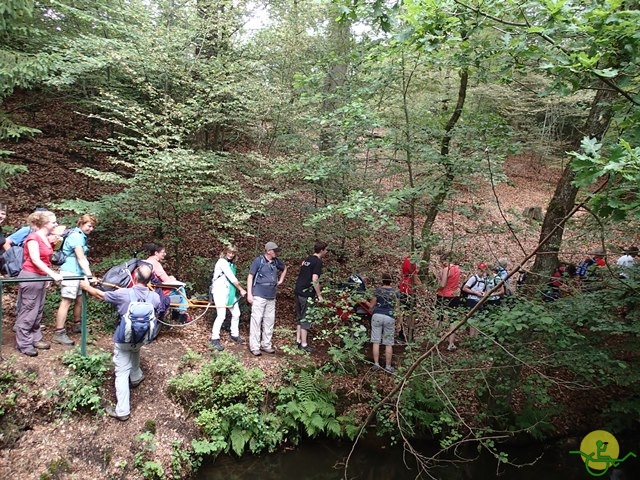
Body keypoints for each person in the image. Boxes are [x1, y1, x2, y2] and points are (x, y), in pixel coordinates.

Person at [79, 264, 160, 421]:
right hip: (142, 337)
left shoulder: (123, 294)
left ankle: (122, 410)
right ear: (150, 280)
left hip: (124, 338)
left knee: (121, 372)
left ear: (134, 276)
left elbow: (101, 295)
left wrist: (85, 286)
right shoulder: (155, 297)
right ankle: (136, 376)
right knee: (135, 350)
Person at [15, 211, 63, 356]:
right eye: (53, 222)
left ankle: (35, 338)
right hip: (30, 276)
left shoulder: (45, 238)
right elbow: (35, 259)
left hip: (40, 277)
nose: (55, 224)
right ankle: (23, 343)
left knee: (37, 310)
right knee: (28, 311)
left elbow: (46, 259)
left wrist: (46, 277)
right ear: (44, 224)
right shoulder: (33, 238)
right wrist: (52, 274)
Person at [53, 214, 97, 346]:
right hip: (70, 272)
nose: (91, 229)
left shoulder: (81, 236)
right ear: (81, 224)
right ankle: (59, 332)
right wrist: (89, 276)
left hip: (78, 273)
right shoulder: (76, 236)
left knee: (79, 299)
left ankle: (77, 324)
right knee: (66, 301)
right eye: (89, 226)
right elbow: (81, 258)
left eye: (93, 226)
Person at [246, 241, 287, 356]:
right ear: (269, 251)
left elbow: (284, 268)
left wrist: (281, 280)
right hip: (259, 295)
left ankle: (266, 344)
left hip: (271, 296)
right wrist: (250, 294)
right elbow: (250, 276)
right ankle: (254, 346)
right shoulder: (258, 261)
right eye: (275, 251)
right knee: (256, 321)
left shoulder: (276, 262)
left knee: (269, 321)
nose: (276, 253)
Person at [209, 244, 247, 351]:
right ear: (225, 252)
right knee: (221, 315)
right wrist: (241, 289)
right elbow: (231, 277)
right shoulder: (222, 262)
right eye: (229, 252)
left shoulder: (232, 264)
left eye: (233, 253)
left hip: (229, 292)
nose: (231, 255)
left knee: (236, 313)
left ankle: (234, 334)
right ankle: (214, 338)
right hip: (219, 291)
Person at [294, 241, 329, 352]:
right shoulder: (317, 262)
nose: (326, 252)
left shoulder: (308, 259)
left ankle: (298, 341)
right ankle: (304, 344)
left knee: (300, 317)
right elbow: (315, 279)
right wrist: (319, 295)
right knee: (305, 318)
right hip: (306, 293)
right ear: (322, 250)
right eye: (326, 250)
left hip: (298, 290)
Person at [363, 273, 400, 373]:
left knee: (376, 341)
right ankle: (388, 366)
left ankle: (376, 364)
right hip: (389, 317)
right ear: (391, 281)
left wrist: (364, 301)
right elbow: (397, 308)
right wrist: (398, 321)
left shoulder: (378, 291)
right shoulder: (395, 292)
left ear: (382, 280)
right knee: (388, 343)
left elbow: (371, 306)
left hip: (377, 316)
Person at [145, 242, 189, 322]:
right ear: (156, 253)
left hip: (150, 288)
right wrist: (172, 278)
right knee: (181, 289)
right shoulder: (155, 264)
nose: (165, 254)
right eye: (163, 252)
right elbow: (166, 280)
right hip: (159, 290)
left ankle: (178, 313)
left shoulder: (146, 261)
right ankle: (181, 313)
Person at [435, 254, 461, 351]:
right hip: (454, 296)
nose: (441, 265)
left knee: (439, 317)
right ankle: (451, 343)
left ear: (445, 261)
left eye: (441, 263)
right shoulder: (458, 269)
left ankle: (435, 340)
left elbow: (443, 284)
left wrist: (436, 289)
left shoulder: (447, 269)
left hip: (443, 295)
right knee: (453, 320)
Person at [398, 254, 421, 342]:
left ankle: (401, 333)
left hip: (403, 287)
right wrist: (422, 288)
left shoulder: (405, 260)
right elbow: (414, 276)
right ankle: (410, 335)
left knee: (402, 312)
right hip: (409, 290)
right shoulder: (411, 261)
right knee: (411, 313)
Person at [462, 263, 489, 337]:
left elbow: (486, 290)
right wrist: (475, 293)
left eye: (483, 270)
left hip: (480, 301)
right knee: (472, 319)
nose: (481, 272)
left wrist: (483, 294)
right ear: (477, 269)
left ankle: (476, 337)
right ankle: (471, 336)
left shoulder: (484, 280)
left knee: (478, 319)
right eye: (480, 270)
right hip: (472, 300)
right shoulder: (473, 278)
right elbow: (465, 288)